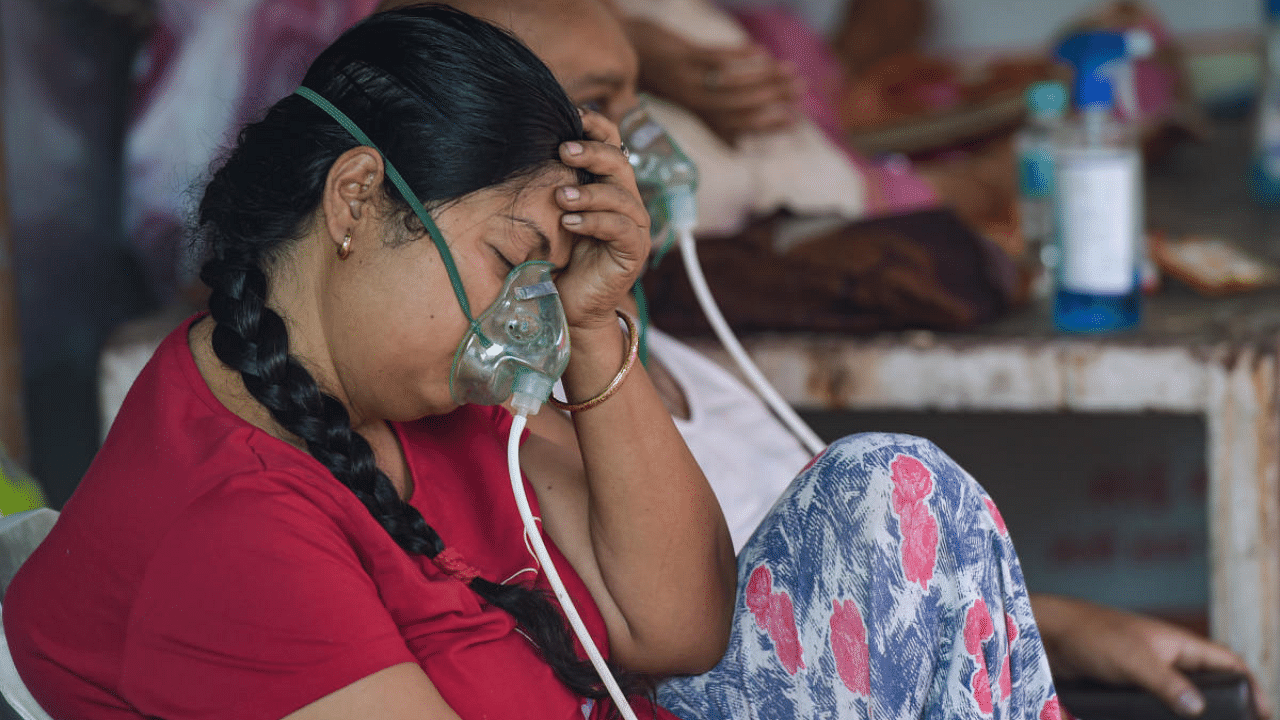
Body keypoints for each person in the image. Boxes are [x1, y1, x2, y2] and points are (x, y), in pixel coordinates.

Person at [5, 5, 1062, 718]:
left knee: (888, 487)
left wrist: (598, 326)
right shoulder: (232, 531)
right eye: (511, 259)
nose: (522, 318)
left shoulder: (402, 389)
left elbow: (679, 625)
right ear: (357, 200)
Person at [381, 0, 1271, 717]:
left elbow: (842, 584)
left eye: (639, 96)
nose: (639, 137)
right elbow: (690, 623)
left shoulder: (678, 364)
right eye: (600, 101)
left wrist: (1047, 622)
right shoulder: (507, 412)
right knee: (891, 481)